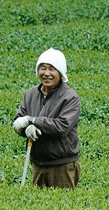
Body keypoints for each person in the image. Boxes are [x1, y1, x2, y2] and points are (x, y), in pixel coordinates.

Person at [12, 48, 82, 188]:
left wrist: (32, 120)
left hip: (62, 165)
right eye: (42, 68)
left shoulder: (70, 97)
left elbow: (61, 126)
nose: (46, 73)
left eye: (52, 69)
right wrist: (24, 128)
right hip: (37, 163)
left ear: (60, 73)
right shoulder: (30, 94)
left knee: (62, 206)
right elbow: (19, 119)